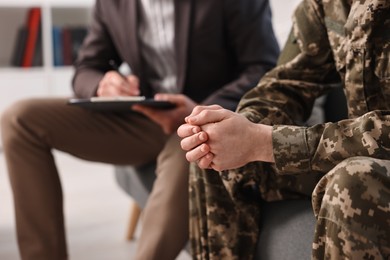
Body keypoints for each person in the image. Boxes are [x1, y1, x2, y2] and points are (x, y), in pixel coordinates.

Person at [0, 0, 279, 259]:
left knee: (195, 147)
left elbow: (263, 67)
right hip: (144, 118)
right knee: (19, 119)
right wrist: (102, 84)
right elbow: (87, 66)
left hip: (207, 119)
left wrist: (202, 109)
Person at [178, 0, 390, 259]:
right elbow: (289, 81)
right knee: (216, 153)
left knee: (354, 182)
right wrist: (241, 127)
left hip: (370, 168)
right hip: (360, 152)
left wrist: (266, 142)